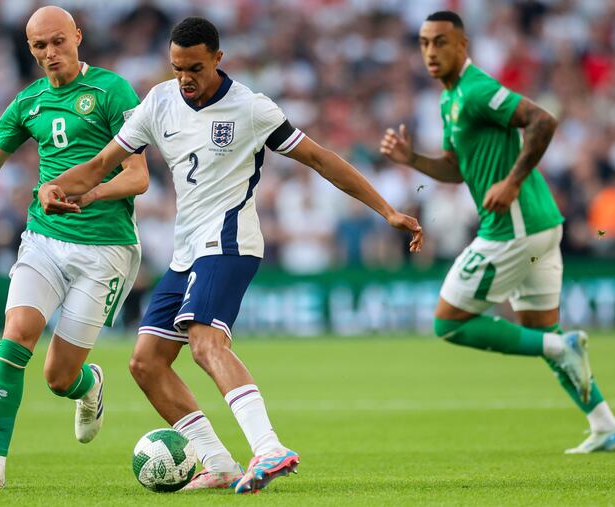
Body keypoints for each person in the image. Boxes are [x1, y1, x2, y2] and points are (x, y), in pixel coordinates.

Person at [38, 16, 423, 494]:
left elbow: (322, 159)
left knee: (204, 343)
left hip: (231, 241)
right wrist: (53, 188)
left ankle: (269, 447)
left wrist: (386, 211)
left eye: (195, 68)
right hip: (186, 252)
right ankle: (218, 464)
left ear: (219, 59)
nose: (185, 79)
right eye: (177, 67)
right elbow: (99, 165)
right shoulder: (158, 102)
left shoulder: (251, 109)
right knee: (146, 363)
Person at [379, 11, 615, 454]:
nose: (431, 52)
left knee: (448, 323)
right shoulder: (449, 100)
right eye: (424, 43)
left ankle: (564, 347)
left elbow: (543, 121)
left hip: (513, 230)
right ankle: (605, 425)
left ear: (463, 45)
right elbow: (458, 169)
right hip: (541, 229)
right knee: (540, 333)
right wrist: (412, 159)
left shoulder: (476, 91)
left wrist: (511, 181)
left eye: (440, 42)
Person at [0, 6, 150, 490]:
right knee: (18, 333)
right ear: (30, 50)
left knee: (57, 377)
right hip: (44, 240)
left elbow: (138, 177)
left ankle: (87, 385)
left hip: (105, 248)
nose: (50, 54)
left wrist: (84, 193)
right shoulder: (27, 102)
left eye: (57, 42)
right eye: (39, 47)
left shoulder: (113, 91)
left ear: (77, 36)